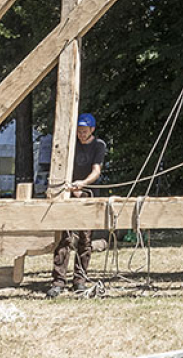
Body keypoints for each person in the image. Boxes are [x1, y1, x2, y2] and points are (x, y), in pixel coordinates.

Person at [49, 112, 107, 298]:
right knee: (64, 237)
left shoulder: (99, 146)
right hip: (68, 193)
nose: (81, 134)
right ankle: (58, 281)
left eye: (84, 131)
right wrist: (70, 186)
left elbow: (96, 170)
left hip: (88, 194)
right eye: (79, 131)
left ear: (92, 130)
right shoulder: (70, 145)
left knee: (85, 239)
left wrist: (82, 184)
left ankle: (79, 280)